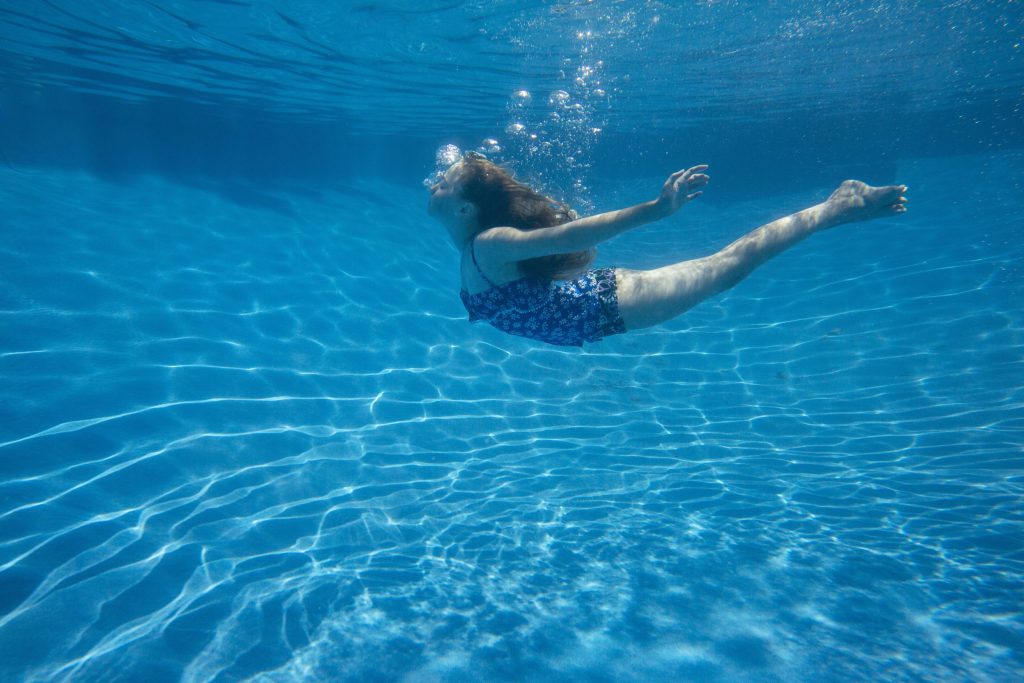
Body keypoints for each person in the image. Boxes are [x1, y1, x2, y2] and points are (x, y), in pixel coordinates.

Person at [427, 152, 907, 347]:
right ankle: (839, 210)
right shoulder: (474, 244)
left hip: (606, 306)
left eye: (445, 181)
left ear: (468, 210)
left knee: (727, 268)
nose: (435, 181)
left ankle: (835, 208)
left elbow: (572, 237)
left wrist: (656, 211)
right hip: (596, 310)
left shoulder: (488, 246)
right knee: (724, 269)